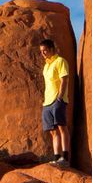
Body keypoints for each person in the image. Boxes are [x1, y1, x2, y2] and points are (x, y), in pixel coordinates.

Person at [39, 37, 72, 165]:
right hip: (47, 102)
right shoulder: (46, 67)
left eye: (45, 51)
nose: (43, 54)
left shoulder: (60, 61)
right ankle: (56, 157)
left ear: (52, 49)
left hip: (58, 100)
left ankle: (65, 157)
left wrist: (59, 97)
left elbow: (64, 79)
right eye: (41, 51)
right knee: (53, 132)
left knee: (62, 127)